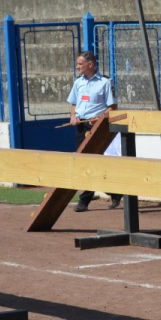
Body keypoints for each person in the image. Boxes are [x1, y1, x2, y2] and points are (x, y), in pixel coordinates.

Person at [66, 51, 122, 213]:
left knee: (88, 162)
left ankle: (84, 200)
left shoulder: (105, 82)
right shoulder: (78, 82)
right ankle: (114, 192)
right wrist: (73, 116)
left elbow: (113, 107)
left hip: (96, 128)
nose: (77, 67)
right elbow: (74, 104)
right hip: (81, 127)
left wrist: (100, 117)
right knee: (85, 162)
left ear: (90, 64)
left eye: (80, 64)